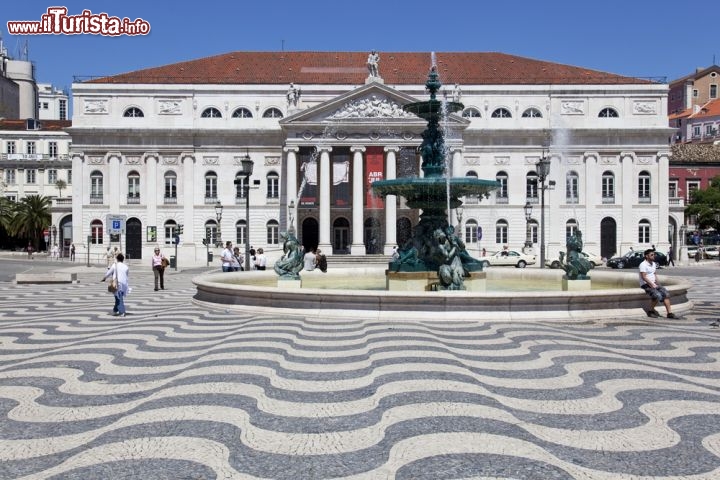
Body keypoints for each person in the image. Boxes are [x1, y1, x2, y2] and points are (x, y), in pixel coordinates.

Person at [639, 248, 675, 319]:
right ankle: (650, 311)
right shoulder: (643, 264)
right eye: (652, 255)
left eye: (654, 255)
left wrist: (658, 284)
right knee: (656, 295)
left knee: (666, 294)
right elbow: (644, 277)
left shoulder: (654, 264)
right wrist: (652, 285)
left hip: (654, 283)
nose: (654, 256)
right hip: (645, 284)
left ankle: (669, 313)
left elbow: (654, 274)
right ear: (647, 256)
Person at [101, 253, 130, 317]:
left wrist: (104, 278)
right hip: (124, 284)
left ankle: (122, 312)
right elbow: (126, 276)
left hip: (117, 283)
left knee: (119, 298)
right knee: (118, 297)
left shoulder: (115, 265)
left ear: (117, 259)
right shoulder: (126, 267)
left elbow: (109, 272)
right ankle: (115, 309)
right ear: (123, 259)